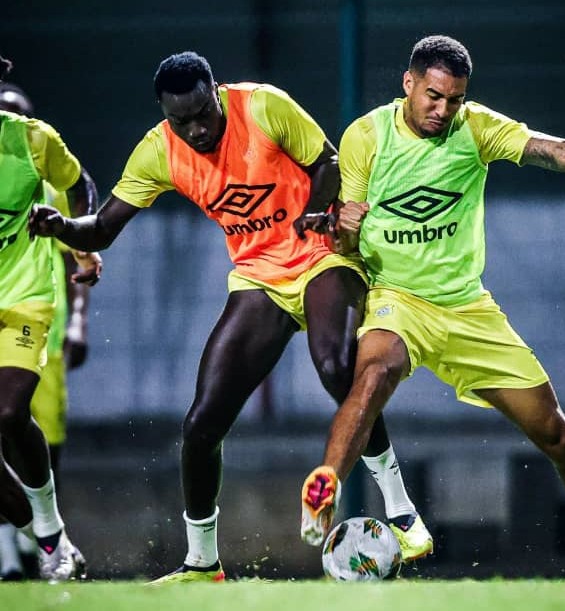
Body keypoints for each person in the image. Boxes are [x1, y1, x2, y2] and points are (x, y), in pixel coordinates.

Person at [28, 51, 433, 583]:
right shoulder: (158, 151)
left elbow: (327, 162)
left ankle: (403, 512)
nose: (196, 129)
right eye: (181, 120)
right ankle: (203, 563)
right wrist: (62, 227)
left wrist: (317, 209)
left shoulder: (264, 107)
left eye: (203, 113)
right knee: (200, 425)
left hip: (322, 256)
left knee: (336, 367)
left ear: (216, 92)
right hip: (258, 277)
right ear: (164, 115)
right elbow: (102, 228)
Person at [299, 35, 565, 581]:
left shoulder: (475, 128)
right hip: (398, 300)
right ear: (408, 84)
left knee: (558, 436)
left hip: (467, 309)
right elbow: (346, 242)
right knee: (373, 374)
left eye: (455, 99)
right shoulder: (366, 136)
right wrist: (342, 231)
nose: (443, 109)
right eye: (434, 96)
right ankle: (325, 489)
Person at [0, 56, 101, 582]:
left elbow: (80, 181)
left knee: (9, 412)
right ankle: (50, 540)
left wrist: (81, 234)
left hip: (23, 296)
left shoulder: (31, 141)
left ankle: (42, 539)